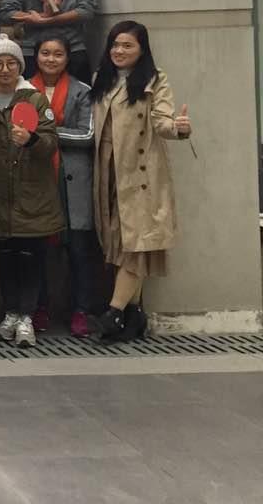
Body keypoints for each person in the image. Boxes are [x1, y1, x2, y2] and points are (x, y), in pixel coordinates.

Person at [90, 21, 192, 342]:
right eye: (115, 45)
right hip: (108, 171)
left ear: (142, 49)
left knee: (136, 244)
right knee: (121, 243)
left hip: (141, 174)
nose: (119, 51)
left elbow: (162, 121)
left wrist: (178, 128)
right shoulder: (101, 78)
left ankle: (114, 311)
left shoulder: (154, 79)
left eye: (127, 45)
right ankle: (134, 316)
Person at [0, 35, 62, 349]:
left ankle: (27, 317)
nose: (4, 69)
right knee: (4, 259)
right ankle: (10, 313)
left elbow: (51, 144)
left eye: (10, 63)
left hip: (31, 195)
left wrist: (31, 140)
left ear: (19, 67)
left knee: (31, 259)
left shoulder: (35, 100)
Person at [30, 35, 96, 337]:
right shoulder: (23, 90)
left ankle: (82, 310)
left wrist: (44, 134)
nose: (51, 59)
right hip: (37, 177)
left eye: (58, 54)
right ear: (36, 56)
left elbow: (87, 135)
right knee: (39, 251)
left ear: (68, 58)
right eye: (45, 53)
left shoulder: (83, 91)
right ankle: (39, 306)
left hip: (74, 181)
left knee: (79, 250)